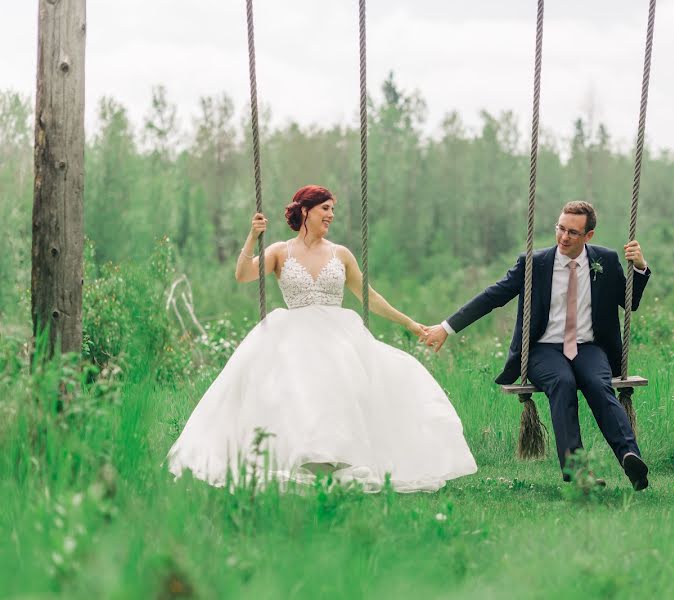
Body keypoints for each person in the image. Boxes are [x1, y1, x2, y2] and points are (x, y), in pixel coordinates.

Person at [167, 185, 477, 492]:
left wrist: (410, 324)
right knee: (298, 389)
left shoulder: (340, 254)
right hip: (293, 334)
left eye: (332, 209)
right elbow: (243, 274)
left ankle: (332, 457)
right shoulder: (279, 251)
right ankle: (308, 456)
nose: (330, 215)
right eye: (325, 208)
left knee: (349, 384)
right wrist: (252, 236)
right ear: (305, 210)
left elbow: (368, 296)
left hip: (337, 333)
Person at [421, 201, 651, 490]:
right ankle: (578, 472)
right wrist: (446, 327)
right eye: (560, 229)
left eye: (573, 233)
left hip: (588, 347)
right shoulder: (535, 264)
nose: (564, 237)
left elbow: (629, 301)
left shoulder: (604, 260)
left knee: (599, 384)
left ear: (588, 236)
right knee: (563, 383)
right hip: (543, 349)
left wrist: (640, 267)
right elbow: (493, 296)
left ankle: (630, 457)